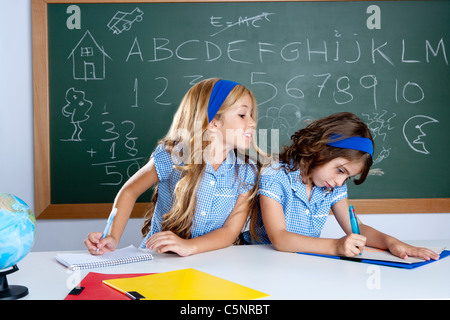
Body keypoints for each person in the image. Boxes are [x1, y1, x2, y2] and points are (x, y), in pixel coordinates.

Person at [85, 78, 266, 256]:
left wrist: (188, 246)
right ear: (213, 122)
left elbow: (229, 231)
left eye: (251, 115)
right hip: (160, 260)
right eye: (242, 115)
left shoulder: (246, 171)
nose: (252, 122)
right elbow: (129, 192)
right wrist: (112, 236)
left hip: (211, 263)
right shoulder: (173, 156)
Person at [243, 112, 440, 261]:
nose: (339, 182)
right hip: (258, 260)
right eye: (340, 170)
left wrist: (393, 243)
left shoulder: (331, 185)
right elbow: (281, 238)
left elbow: (358, 228)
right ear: (321, 151)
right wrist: (337, 246)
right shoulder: (275, 173)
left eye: (347, 178)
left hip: (300, 262)